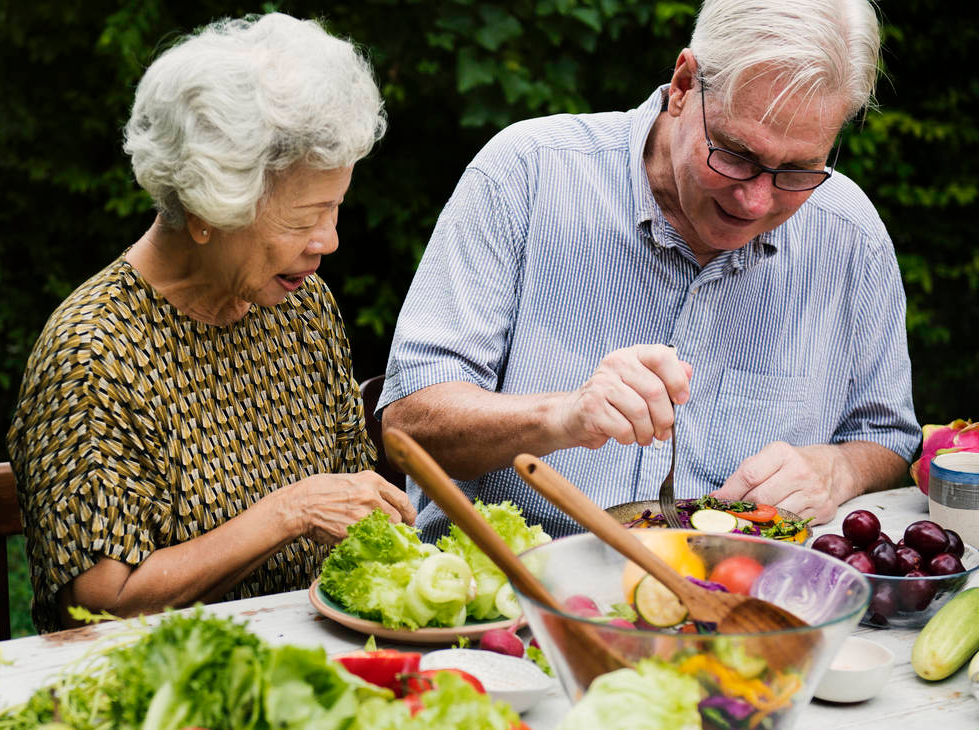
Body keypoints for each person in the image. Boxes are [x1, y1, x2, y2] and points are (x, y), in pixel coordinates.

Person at [379, 0, 919, 541]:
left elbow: (886, 437)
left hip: (731, 595)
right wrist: (562, 416)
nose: (756, 202)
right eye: (735, 154)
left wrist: (842, 468)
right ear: (684, 84)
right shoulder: (528, 173)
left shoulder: (848, 232)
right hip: (510, 591)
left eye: (798, 170)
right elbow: (408, 421)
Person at [6, 13, 415, 633]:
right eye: (303, 218)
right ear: (209, 208)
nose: (328, 241)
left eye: (336, 208)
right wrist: (291, 510)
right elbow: (98, 606)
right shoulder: (94, 354)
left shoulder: (302, 310)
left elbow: (355, 506)